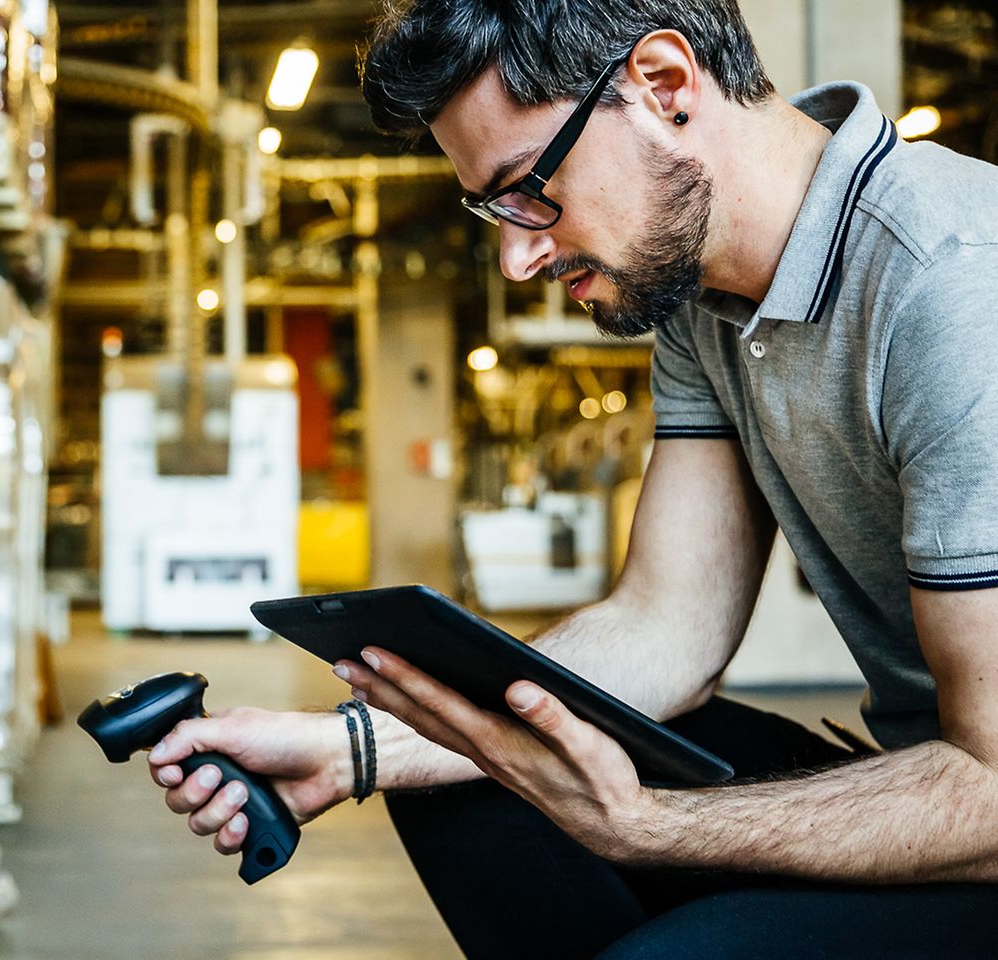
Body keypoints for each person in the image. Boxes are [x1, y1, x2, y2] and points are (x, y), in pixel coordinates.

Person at [141, 1, 998, 955]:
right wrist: (353, 747)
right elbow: (669, 625)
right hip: (942, 780)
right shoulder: (697, 295)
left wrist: (650, 827)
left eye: (531, 188)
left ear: (665, 87)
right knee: (475, 785)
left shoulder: (955, 284)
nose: (517, 257)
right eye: (495, 212)